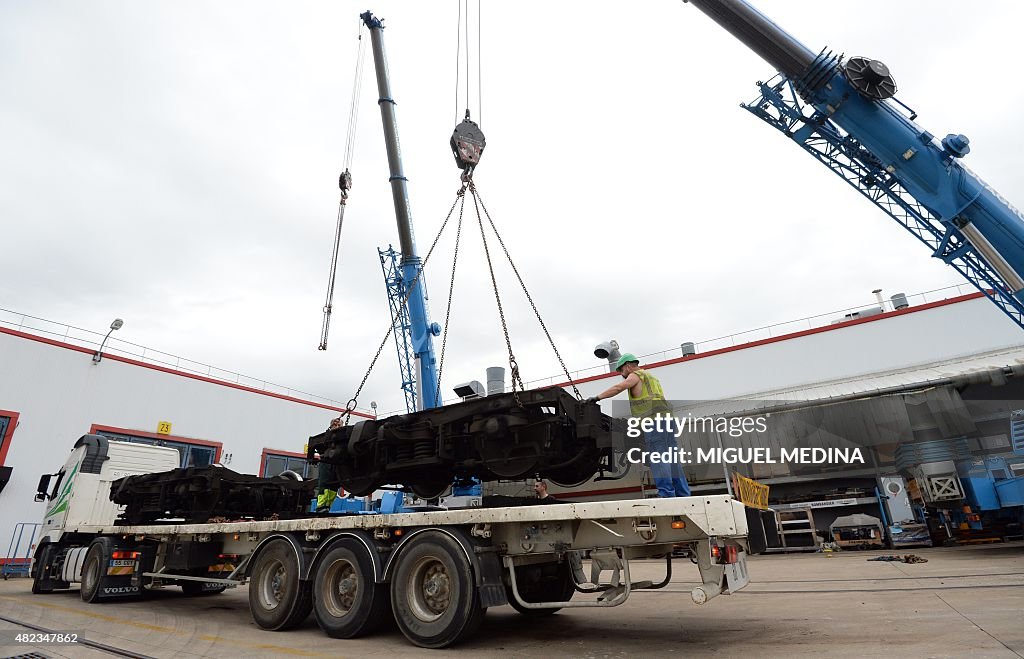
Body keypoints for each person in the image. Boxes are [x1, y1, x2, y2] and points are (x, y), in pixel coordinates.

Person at [586, 353, 690, 498]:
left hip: (653, 422)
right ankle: (683, 494)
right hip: (667, 421)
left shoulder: (635, 375)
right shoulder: (651, 377)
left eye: (621, 371)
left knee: (658, 457)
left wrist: (596, 398)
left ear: (628, 366)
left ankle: (666, 494)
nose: (622, 375)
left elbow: (618, 387)